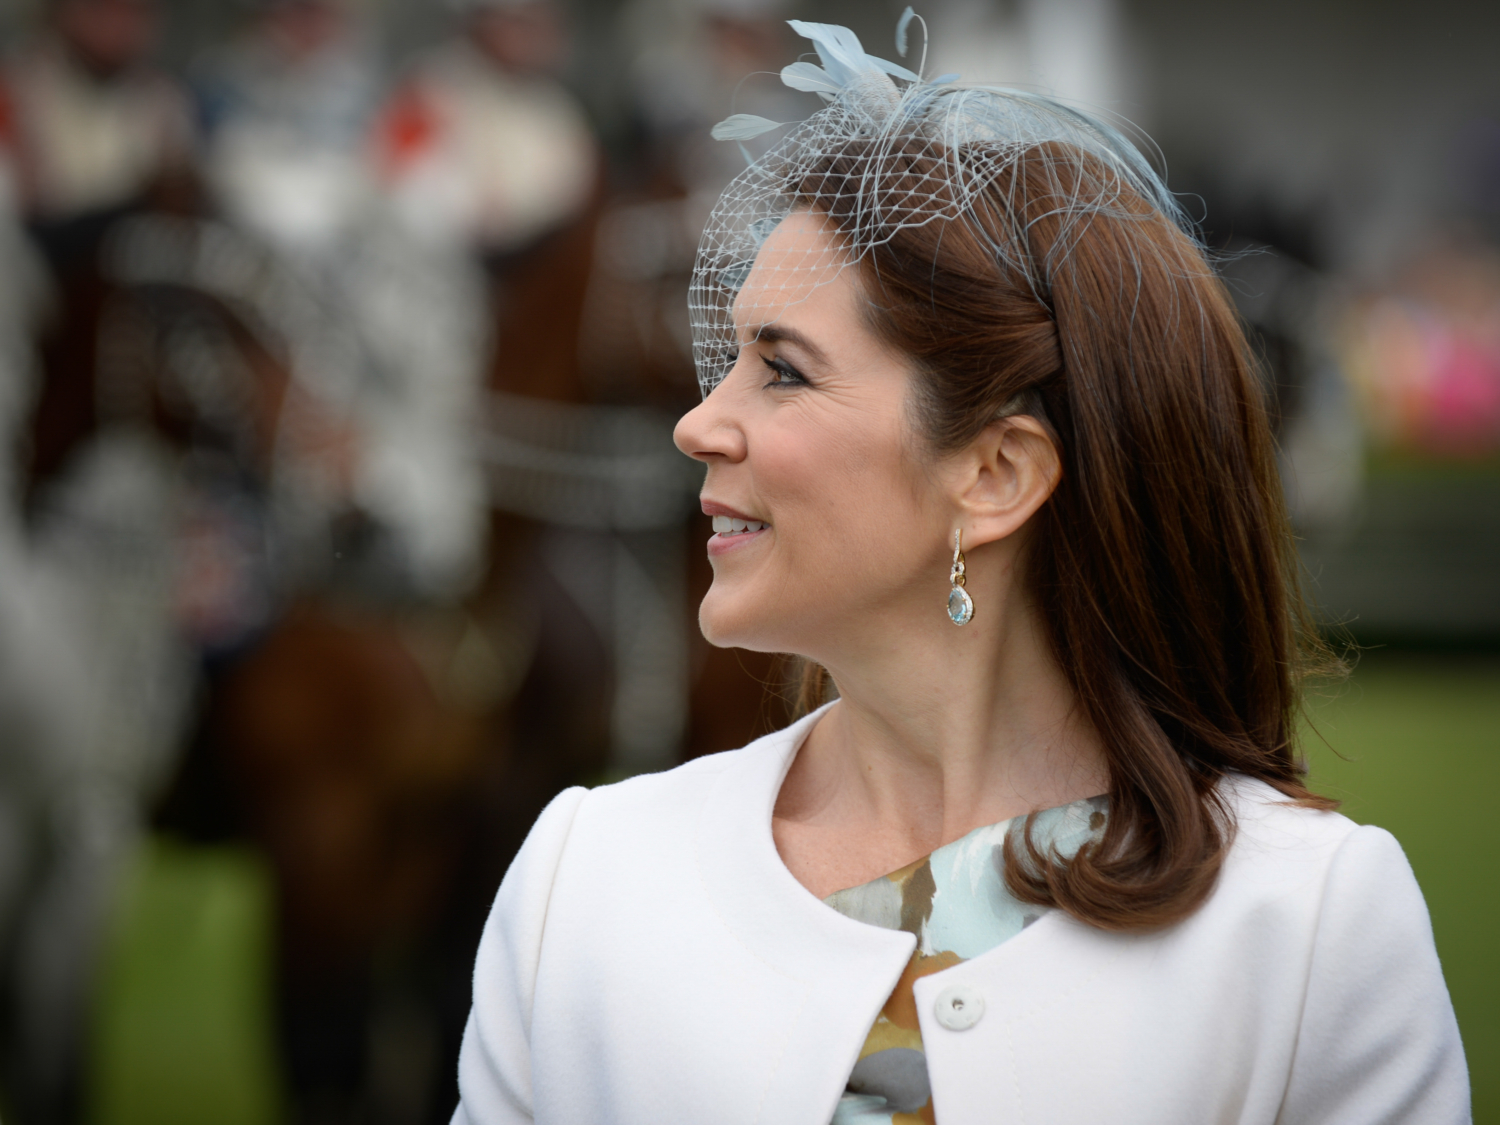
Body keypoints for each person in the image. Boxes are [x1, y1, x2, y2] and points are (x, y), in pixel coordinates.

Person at [450, 16, 1470, 1125]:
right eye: (726, 361)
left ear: (995, 472)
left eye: (781, 373)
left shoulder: (1309, 922)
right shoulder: (582, 879)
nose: (699, 424)